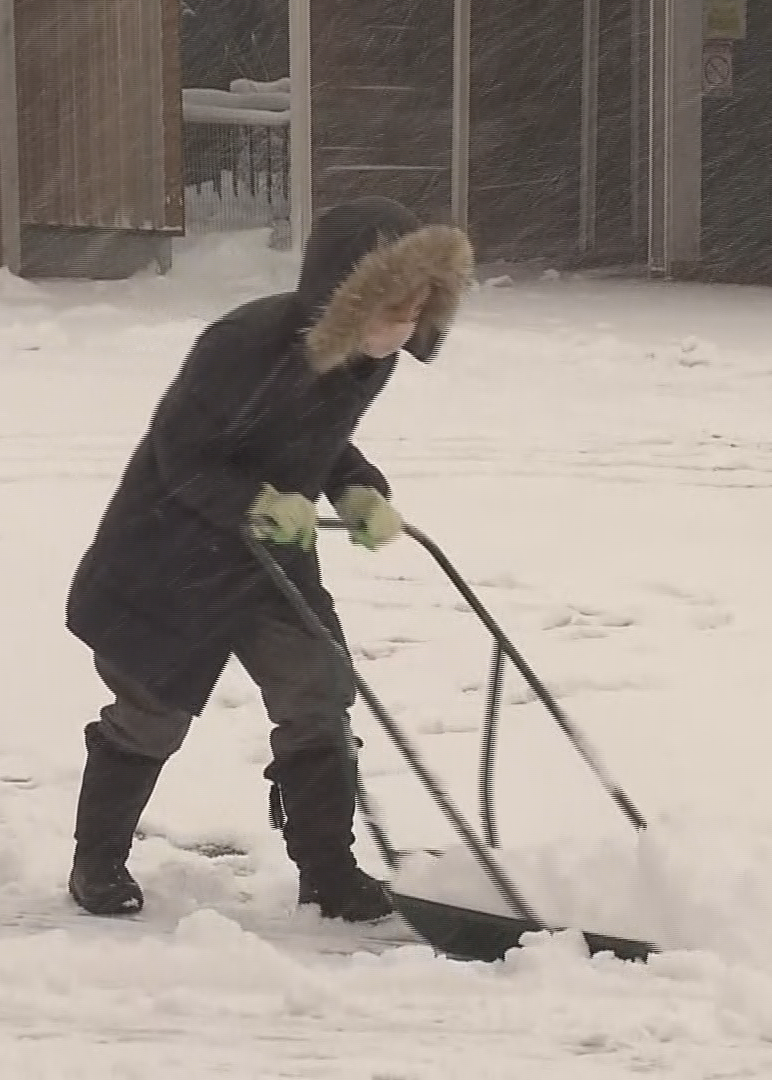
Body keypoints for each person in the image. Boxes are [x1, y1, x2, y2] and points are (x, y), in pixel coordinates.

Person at [63, 196, 475, 923]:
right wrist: (254, 501)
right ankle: (96, 863)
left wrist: (355, 490)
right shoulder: (241, 345)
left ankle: (328, 871)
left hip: (271, 557)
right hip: (174, 553)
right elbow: (180, 453)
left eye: (415, 312)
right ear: (346, 299)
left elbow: (313, 438)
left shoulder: (366, 361)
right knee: (152, 716)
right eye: (390, 311)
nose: (401, 329)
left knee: (317, 694)